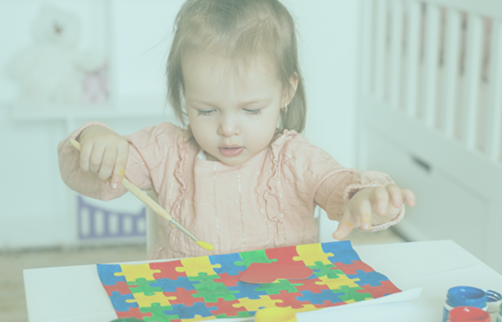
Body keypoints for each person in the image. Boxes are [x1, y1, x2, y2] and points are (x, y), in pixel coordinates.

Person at [57, 0, 415, 260]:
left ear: (286, 92)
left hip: (281, 303)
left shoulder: (294, 157)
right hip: (190, 304)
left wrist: (365, 200)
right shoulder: (165, 149)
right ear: (185, 95)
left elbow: (340, 187)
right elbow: (95, 175)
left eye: (251, 110)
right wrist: (95, 142)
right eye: (207, 110)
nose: (228, 129)